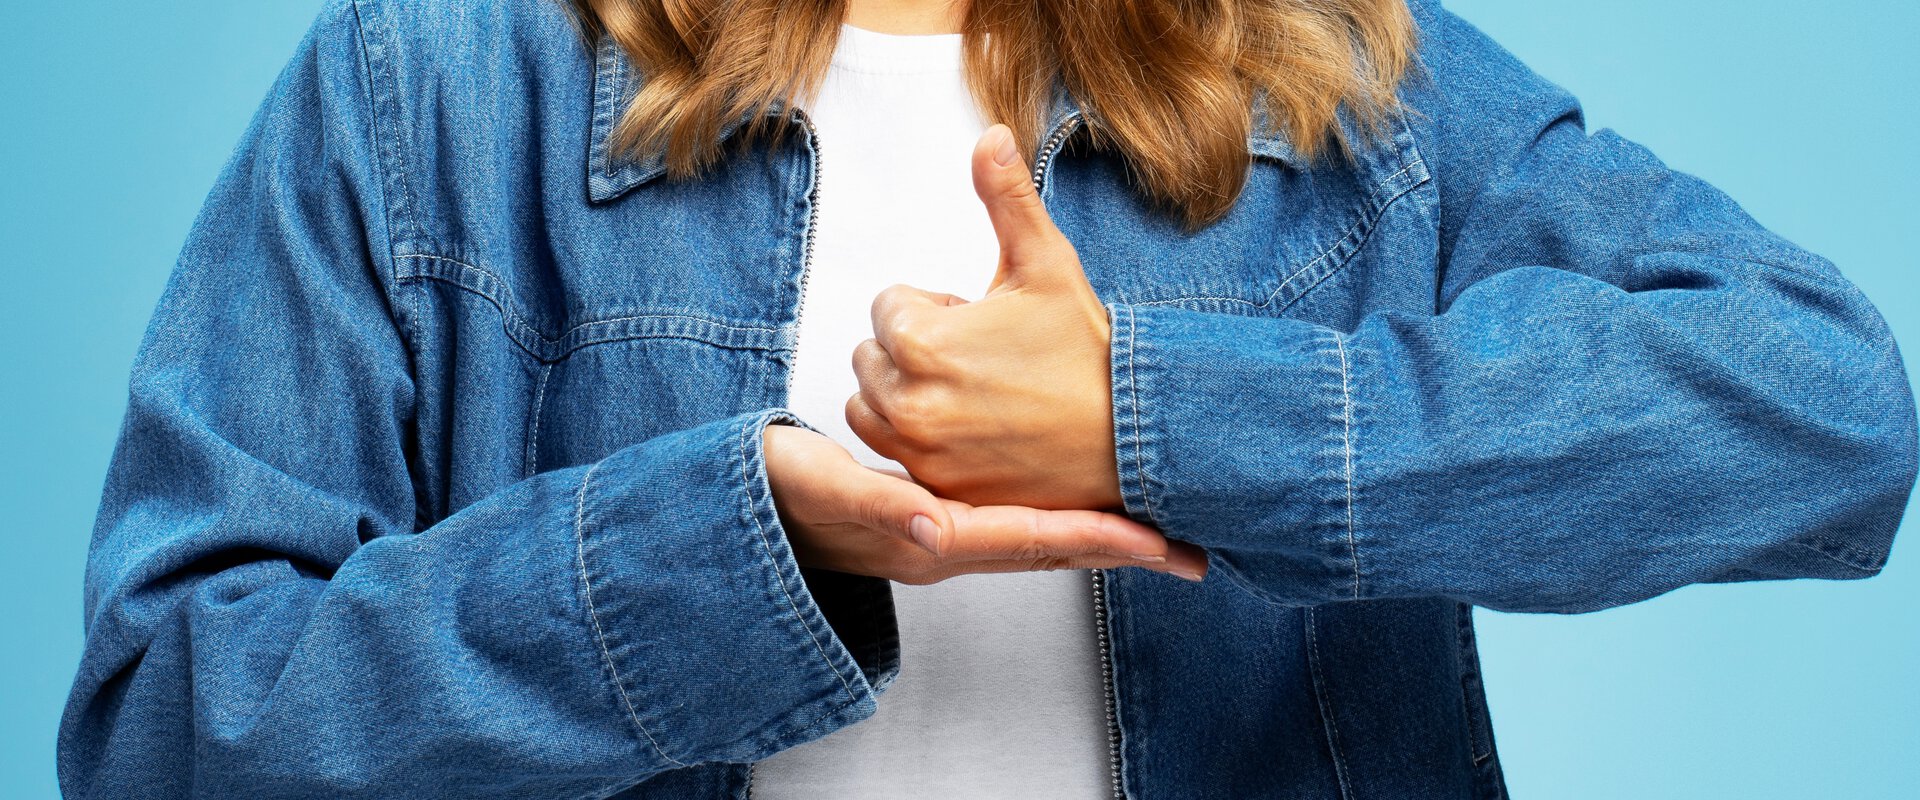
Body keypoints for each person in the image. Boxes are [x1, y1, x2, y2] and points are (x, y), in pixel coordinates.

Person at [57, 0, 1917, 797]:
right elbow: (168, 733)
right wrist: (738, 551)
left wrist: (1154, 416)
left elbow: (1824, 411)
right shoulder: (433, 84)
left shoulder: (1335, 79)